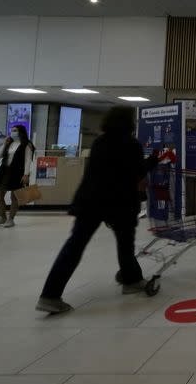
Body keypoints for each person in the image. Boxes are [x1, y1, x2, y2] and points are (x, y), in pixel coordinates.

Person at [36, 107, 158, 314]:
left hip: (90, 201)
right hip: (119, 202)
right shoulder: (131, 144)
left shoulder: (100, 142)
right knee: (125, 243)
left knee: (74, 246)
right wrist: (154, 160)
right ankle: (131, 281)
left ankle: (50, 294)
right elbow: (137, 172)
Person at [0, 125, 34, 228]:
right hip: (4, 171)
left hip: (18, 173)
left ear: (21, 131)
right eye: (11, 130)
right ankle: (1, 216)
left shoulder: (27, 144)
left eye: (15, 130)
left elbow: (28, 160)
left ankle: (11, 219)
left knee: (15, 196)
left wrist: (26, 174)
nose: (12, 132)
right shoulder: (10, 143)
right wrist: (4, 144)